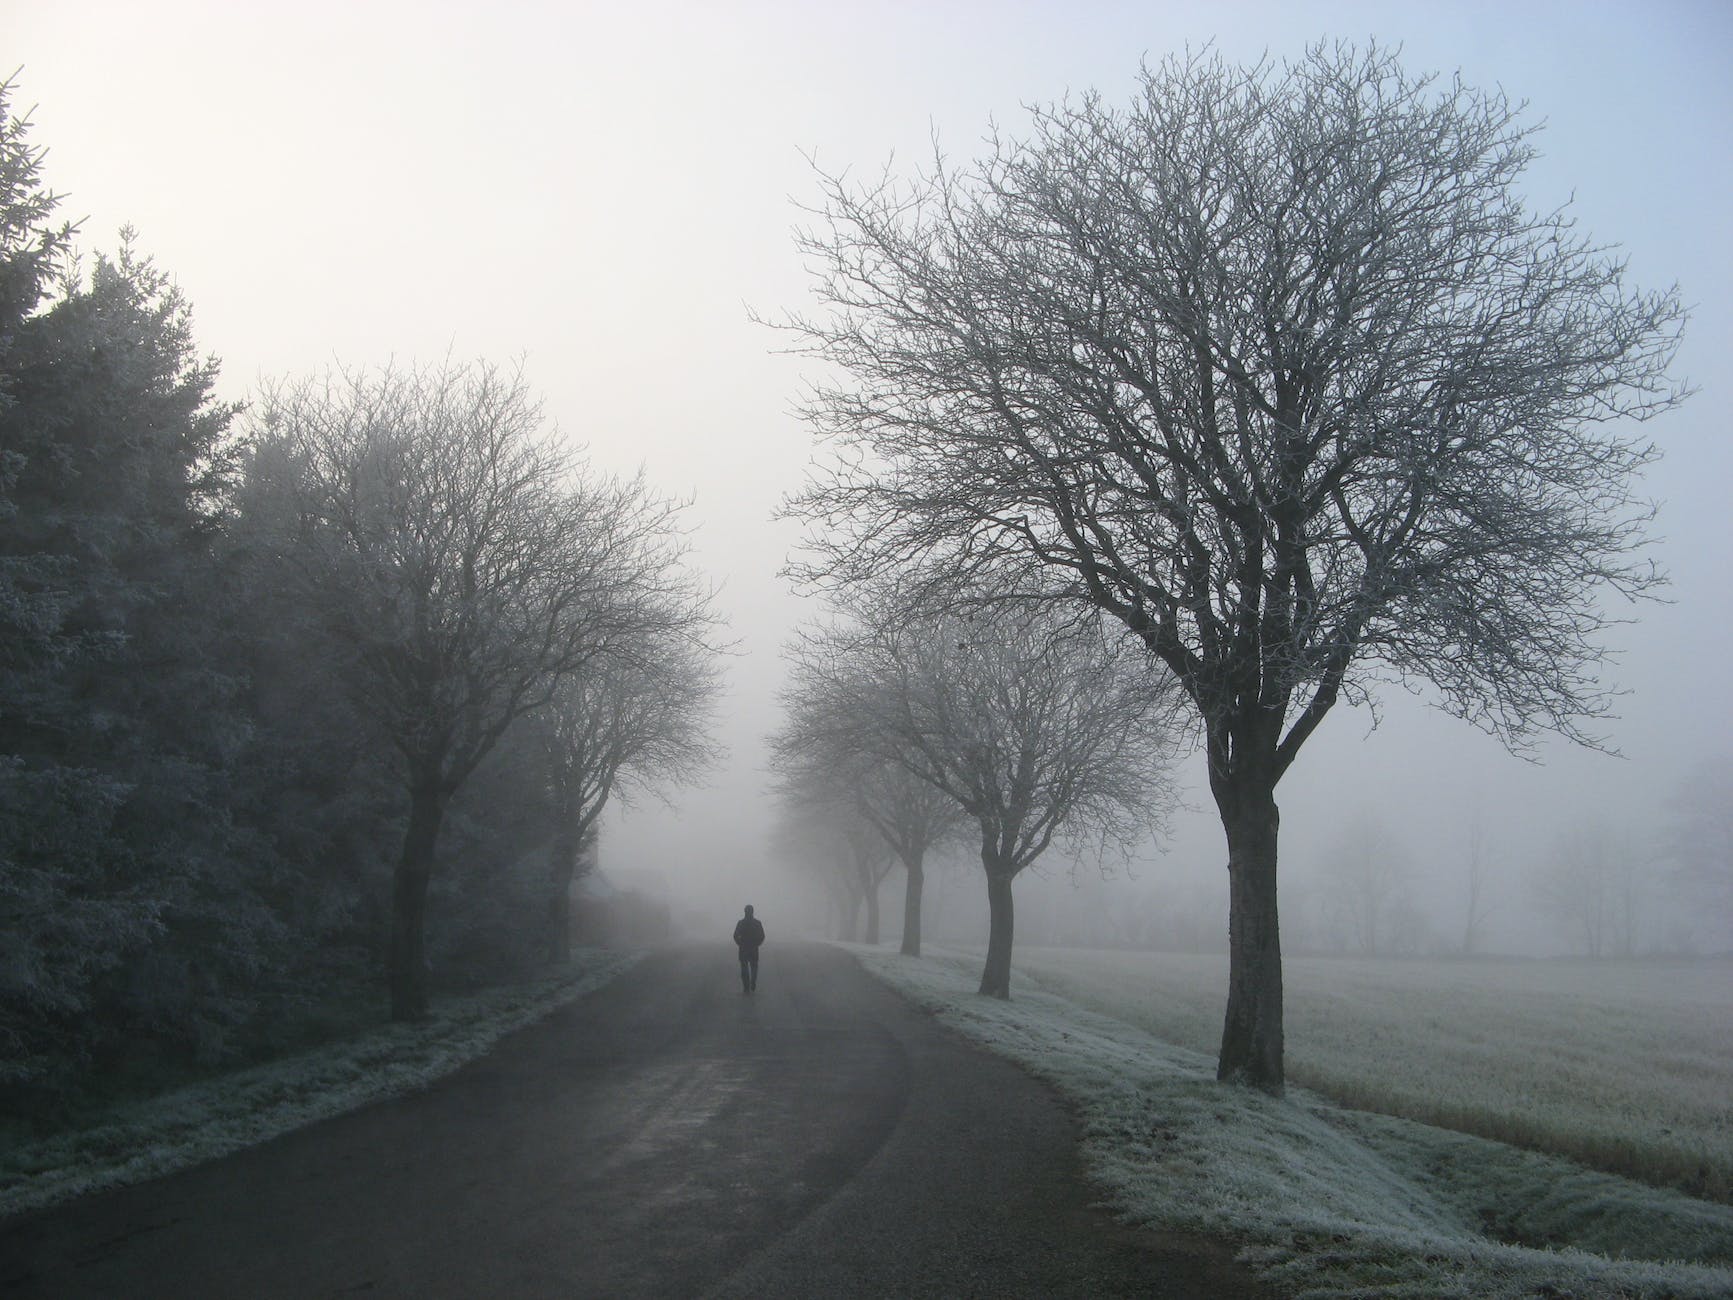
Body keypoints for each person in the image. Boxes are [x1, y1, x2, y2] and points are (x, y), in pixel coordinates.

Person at [733, 904, 765, 993]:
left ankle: (746, 986)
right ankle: (753, 981)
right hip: (754, 948)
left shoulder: (741, 923)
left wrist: (740, 943)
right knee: (754, 966)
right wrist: (757, 944)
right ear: (753, 912)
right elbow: (762, 936)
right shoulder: (757, 923)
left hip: (743, 948)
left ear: (745, 912)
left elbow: (735, 935)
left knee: (744, 967)